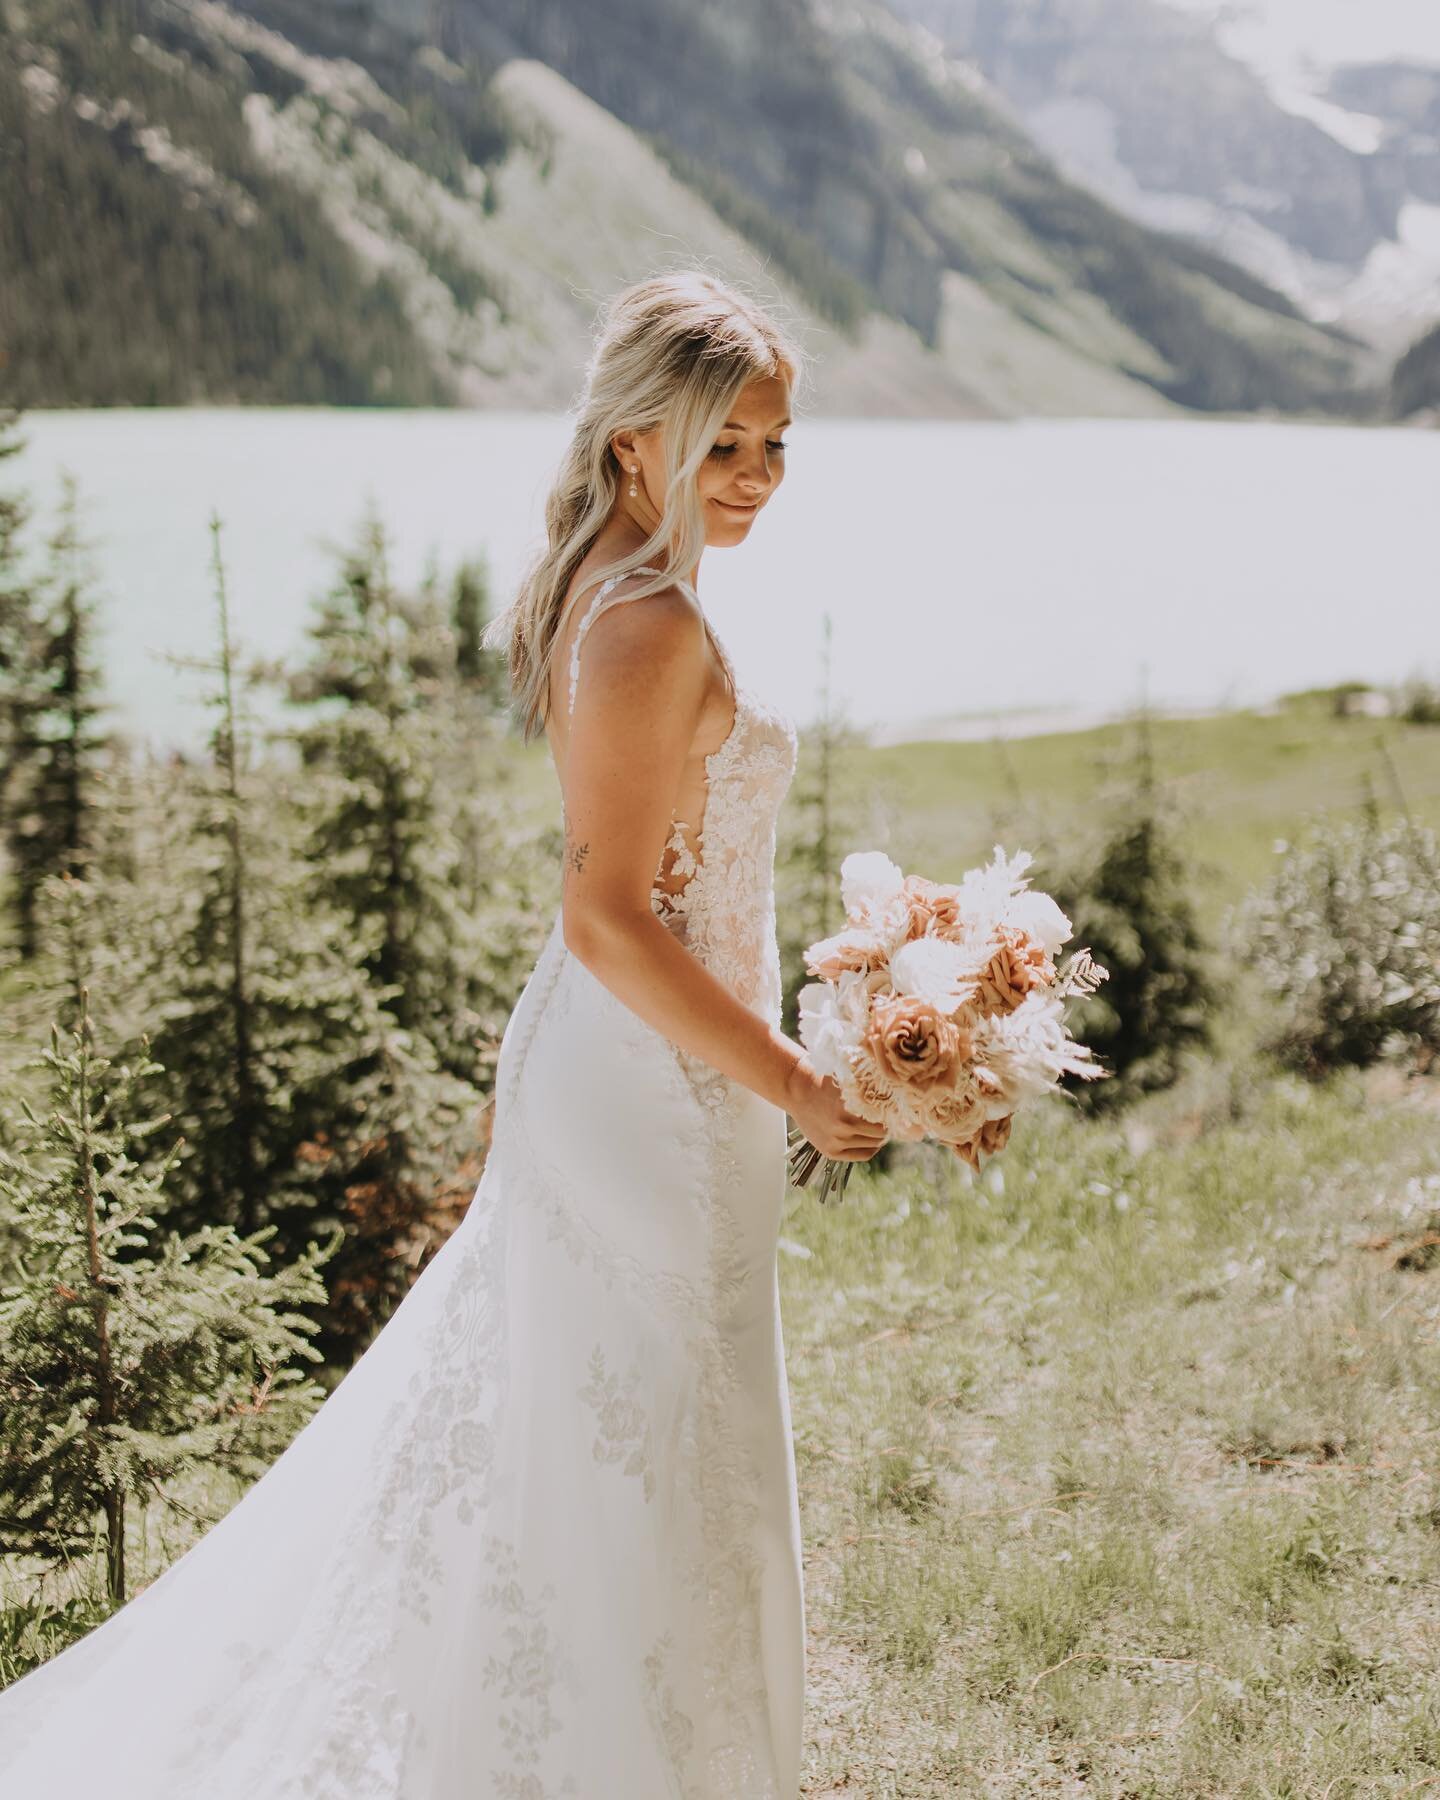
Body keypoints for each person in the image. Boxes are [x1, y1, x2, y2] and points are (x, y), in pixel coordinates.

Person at [0, 268, 887, 1797]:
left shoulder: (623, 581)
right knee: (638, 1452)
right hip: (648, 1091)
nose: (757, 477)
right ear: (632, 445)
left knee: (588, 1451)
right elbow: (610, 915)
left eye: (776, 444)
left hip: (669, 1069)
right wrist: (799, 1077)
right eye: (723, 444)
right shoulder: (647, 622)